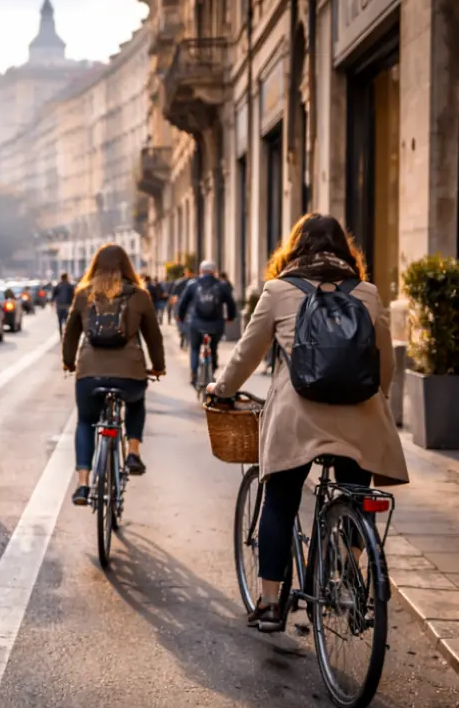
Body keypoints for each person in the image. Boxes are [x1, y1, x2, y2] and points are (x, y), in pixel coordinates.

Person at [207, 213, 408, 630]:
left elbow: (247, 353)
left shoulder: (278, 290)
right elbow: (383, 362)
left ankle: (269, 604)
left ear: (293, 249)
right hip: (361, 420)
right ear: (345, 252)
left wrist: (221, 389)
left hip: (299, 420)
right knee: (355, 494)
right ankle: (350, 584)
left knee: (280, 501)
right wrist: (381, 400)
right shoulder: (367, 293)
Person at [62, 244, 165, 506]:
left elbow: (71, 333)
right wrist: (158, 366)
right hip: (129, 373)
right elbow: (154, 337)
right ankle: (132, 451)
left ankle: (83, 485)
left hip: (89, 374)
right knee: (136, 402)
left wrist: (69, 363)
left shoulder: (84, 294)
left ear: (94, 266)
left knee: (86, 421)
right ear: (127, 267)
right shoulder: (139, 296)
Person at [177, 259, 237, 386]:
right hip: (216, 325)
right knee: (213, 348)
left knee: (194, 348)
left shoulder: (193, 284)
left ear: (200, 271)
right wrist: (231, 317)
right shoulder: (222, 285)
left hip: (196, 324)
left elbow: (183, 303)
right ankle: (212, 369)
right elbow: (231, 304)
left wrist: (180, 318)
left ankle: (194, 373)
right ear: (214, 272)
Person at [166, 266, 192, 347]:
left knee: (179, 318)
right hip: (189, 304)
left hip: (180, 303)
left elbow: (173, 296)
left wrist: (172, 304)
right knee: (187, 320)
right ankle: (185, 334)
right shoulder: (194, 283)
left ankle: (182, 332)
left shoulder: (179, 282)